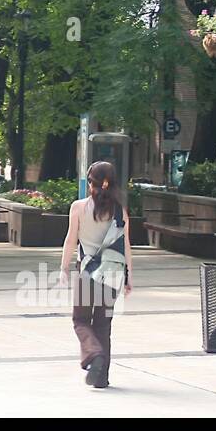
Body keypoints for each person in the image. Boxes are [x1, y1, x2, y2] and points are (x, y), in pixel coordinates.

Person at [59, 161, 133, 389]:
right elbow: (126, 245)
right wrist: (129, 276)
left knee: (80, 320)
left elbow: (72, 239)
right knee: (103, 324)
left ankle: (93, 354)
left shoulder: (78, 207)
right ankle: (102, 378)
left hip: (88, 272)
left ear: (90, 182)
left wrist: (63, 267)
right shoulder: (120, 211)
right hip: (113, 274)